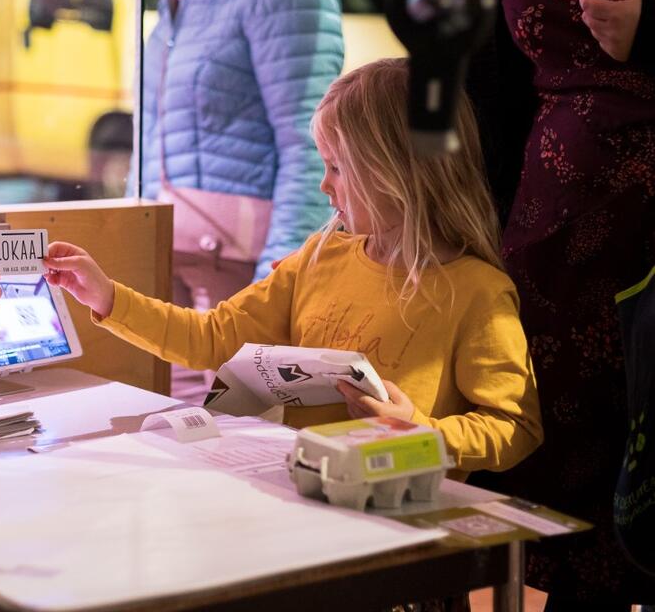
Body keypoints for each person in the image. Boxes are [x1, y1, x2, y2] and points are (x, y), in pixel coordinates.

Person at [52, 58, 544, 476]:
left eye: (337, 167)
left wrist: (418, 429)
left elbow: (515, 428)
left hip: (400, 523)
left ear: (398, 171)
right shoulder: (317, 258)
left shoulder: (478, 293)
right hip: (302, 497)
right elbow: (211, 338)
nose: (324, 187)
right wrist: (106, 297)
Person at [463, 0, 655, 605]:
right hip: (554, 217)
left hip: (631, 210)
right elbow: (486, 66)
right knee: (559, 456)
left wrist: (651, 29)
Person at [139, 0, 348, 311]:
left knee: (227, 378)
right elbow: (153, 128)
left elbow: (309, 141)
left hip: (237, 259)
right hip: (168, 245)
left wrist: (283, 270)